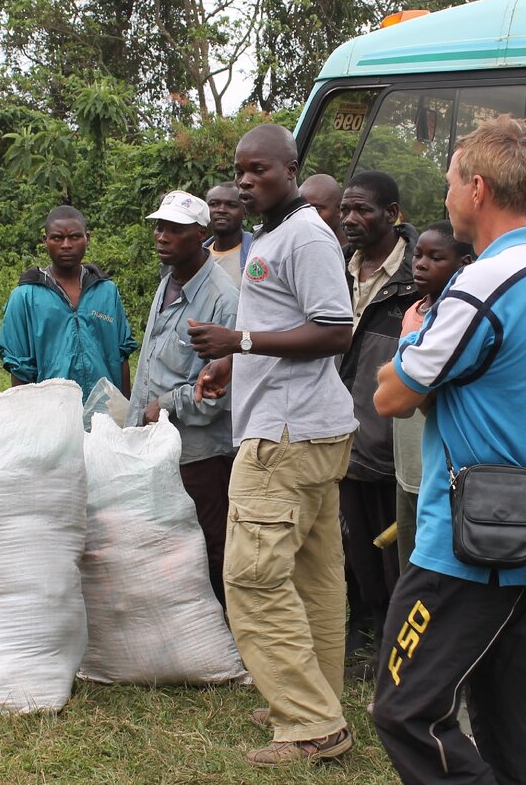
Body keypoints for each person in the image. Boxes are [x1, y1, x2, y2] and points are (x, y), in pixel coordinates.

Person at [371, 115, 526, 785]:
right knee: (508, 723)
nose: (448, 195)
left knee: (404, 708)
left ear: (479, 188)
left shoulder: (484, 283)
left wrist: (410, 338)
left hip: (466, 544)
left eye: (452, 181)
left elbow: (392, 397)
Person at [188, 123, 358, 767]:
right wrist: (233, 364)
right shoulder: (272, 236)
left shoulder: (308, 233)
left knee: (253, 579)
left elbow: (335, 330)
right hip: (301, 429)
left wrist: (242, 344)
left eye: (260, 169)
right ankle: (316, 701)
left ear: (292, 167)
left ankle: (310, 722)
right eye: (240, 170)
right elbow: (278, 323)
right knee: (313, 576)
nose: (247, 180)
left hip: (286, 437)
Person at [125, 190, 240, 604]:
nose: (161, 236)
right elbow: (149, 363)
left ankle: (223, 634)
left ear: (200, 234)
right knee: (167, 540)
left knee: (210, 544)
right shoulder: (168, 283)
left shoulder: (224, 300)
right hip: (157, 443)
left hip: (199, 454)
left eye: (174, 229)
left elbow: (218, 394)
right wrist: (135, 420)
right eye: (159, 226)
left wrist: (167, 404)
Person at [336, 170, 416, 672]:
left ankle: (399, 647)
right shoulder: (333, 268)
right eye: (345, 210)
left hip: (391, 441)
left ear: (392, 214)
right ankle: (363, 637)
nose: (350, 220)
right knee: (352, 550)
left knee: (396, 554)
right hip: (339, 436)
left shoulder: (418, 274)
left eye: (362, 210)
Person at [393, 221, 473, 570]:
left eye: (435, 258)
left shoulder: (457, 318)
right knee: (408, 553)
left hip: (439, 461)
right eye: (418, 255)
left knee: (434, 555)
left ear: (464, 264)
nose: (420, 264)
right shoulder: (414, 311)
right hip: (406, 457)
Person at [0, 205, 136, 398]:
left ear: (88, 238)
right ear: (45, 241)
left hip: (104, 413)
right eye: (57, 238)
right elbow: (19, 368)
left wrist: (125, 417)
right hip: (51, 414)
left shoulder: (107, 291)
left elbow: (121, 357)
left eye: (75, 237)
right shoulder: (25, 296)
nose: (66, 245)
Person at [203, 181, 253, 286]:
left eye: (231, 205)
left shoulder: (257, 252)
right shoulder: (197, 257)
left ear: (245, 212)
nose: (221, 210)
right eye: (214, 204)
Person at [300, 174, 346, 246]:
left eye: (316, 210)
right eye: (301, 210)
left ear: (339, 209)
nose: (307, 216)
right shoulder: (297, 245)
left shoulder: (357, 254)